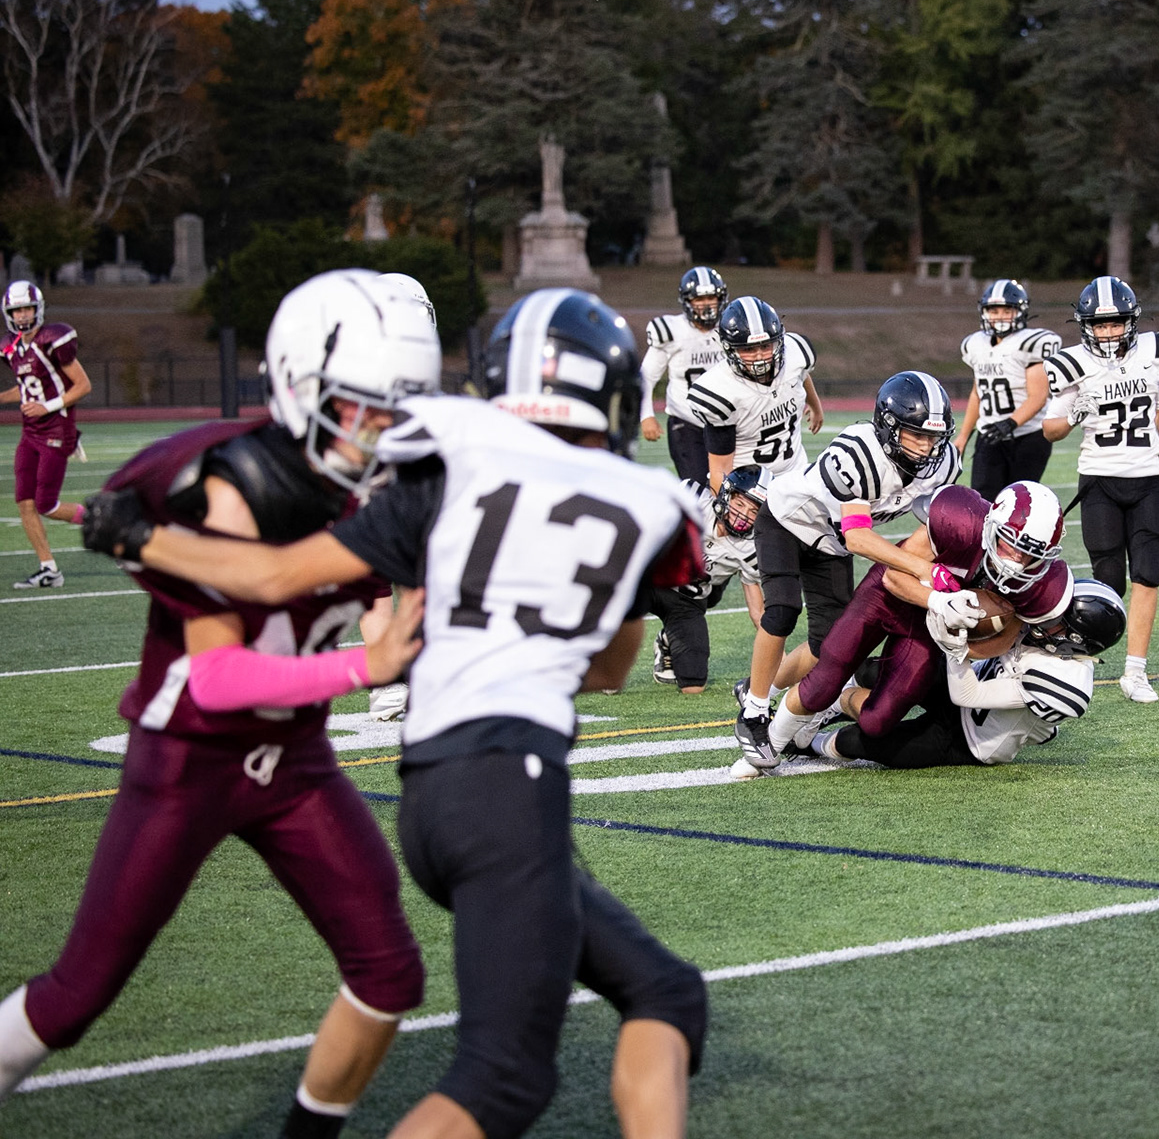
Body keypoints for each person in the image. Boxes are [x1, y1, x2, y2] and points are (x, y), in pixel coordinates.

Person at [84, 287, 711, 1139]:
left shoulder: (450, 457)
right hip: (509, 787)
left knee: (665, 989)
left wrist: (136, 538)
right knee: (503, 1078)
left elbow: (269, 578)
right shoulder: (645, 507)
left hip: (430, 793)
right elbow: (605, 671)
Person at [0, 271, 437, 1139]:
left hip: (296, 759)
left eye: (398, 409)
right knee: (79, 993)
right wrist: (368, 667)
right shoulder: (231, 483)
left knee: (389, 970)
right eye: (362, 408)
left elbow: (392, 598)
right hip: (188, 761)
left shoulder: (382, 483)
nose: (381, 431)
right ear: (301, 384)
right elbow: (220, 679)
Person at [750, 479, 1073, 773]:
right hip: (890, 595)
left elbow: (1004, 637)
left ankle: (836, 703)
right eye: (1008, 544)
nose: (1014, 560)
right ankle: (767, 750)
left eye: (1029, 554)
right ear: (992, 525)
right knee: (824, 677)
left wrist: (960, 647)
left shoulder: (1044, 584)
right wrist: (939, 601)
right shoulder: (961, 520)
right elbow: (894, 576)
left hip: (928, 628)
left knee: (878, 722)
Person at [734, 372, 962, 770]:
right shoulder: (858, 452)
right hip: (787, 521)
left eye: (933, 437)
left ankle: (761, 687)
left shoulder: (941, 463)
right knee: (783, 609)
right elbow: (859, 539)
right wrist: (920, 567)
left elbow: (934, 523)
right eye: (916, 435)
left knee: (828, 643)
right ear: (888, 426)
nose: (927, 448)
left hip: (829, 541)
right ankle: (754, 712)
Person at [803, 578, 1127, 769]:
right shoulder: (1046, 633)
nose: (1048, 614)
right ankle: (828, 704)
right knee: (886, 671)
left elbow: (967, 696)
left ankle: (807, 740)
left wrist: (956, 648)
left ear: (1073, 639)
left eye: (1060, 619)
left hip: (965, 740)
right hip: (964, 677)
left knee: (857, 741)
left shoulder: (1064, 681)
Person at [1042, 277, 1159, 704]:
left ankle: (1135, 672)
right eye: (1099, 325)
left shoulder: (1153, 353)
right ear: (1086, 326)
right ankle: (1070, 652)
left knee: (1149, 572)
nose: (1107, 333)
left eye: (1115, 323)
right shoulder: (1071, 365)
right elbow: (1050, 431)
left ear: (1131, 321)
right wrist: (1073, 415)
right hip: (1100, 479)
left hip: (1147, 479)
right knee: (1107, 580)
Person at [3, 279, 92, 589]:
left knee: (46, 505)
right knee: (24, 502)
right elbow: (28, 388)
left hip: (56, 427)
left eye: (27, 309)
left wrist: (46, 406)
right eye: (17, 311)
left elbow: (82, 385)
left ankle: (104, 522)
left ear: (37, 309)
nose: (23, 316)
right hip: (31, 432)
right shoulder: (11, 348)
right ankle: (49, 569)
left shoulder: (52, 339)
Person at [648, 463, 768, 695]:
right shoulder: (693, 499)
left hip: (686, 603)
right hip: (650, 582)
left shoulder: (750, 548)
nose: (743, 515)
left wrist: (778, 657)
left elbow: (758, 612)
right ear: (725, 495)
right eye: (739, 503)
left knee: (693, 685)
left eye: (754, 511)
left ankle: (668, 640)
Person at [687, 295, 823, 494]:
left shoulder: (796, 354)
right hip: (748, 489)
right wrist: (724, 513)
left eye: (765, 346)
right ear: (729, 349)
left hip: (796, 474)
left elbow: (802, 373)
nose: (759, 356)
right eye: (749, 349)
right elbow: (720, 468)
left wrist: (815, 404)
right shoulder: (721, 392)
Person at [954, 279, 1061, 499]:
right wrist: (963, 437)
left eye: (1007, 310)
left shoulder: (1029, 342)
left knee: (1017, 504)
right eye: (994, 311)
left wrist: (1010, 423)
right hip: (990, 434)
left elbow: (1038, 396)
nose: (1000, 316)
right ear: (984, 313)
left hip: (1027, 435)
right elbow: (978, 393)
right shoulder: (975, 344)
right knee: (982, 502)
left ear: (1019, 312)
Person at [641, 266, 729, 484]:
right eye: (699, 299)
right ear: (687, 302)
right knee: (698, 489)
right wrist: (646, 416)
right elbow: (646, 377)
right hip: (687, 423)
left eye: (711, 297)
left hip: (726, 423)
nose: (707, 304)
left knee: (735, 489)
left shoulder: (730, 328)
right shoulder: (672, 331)